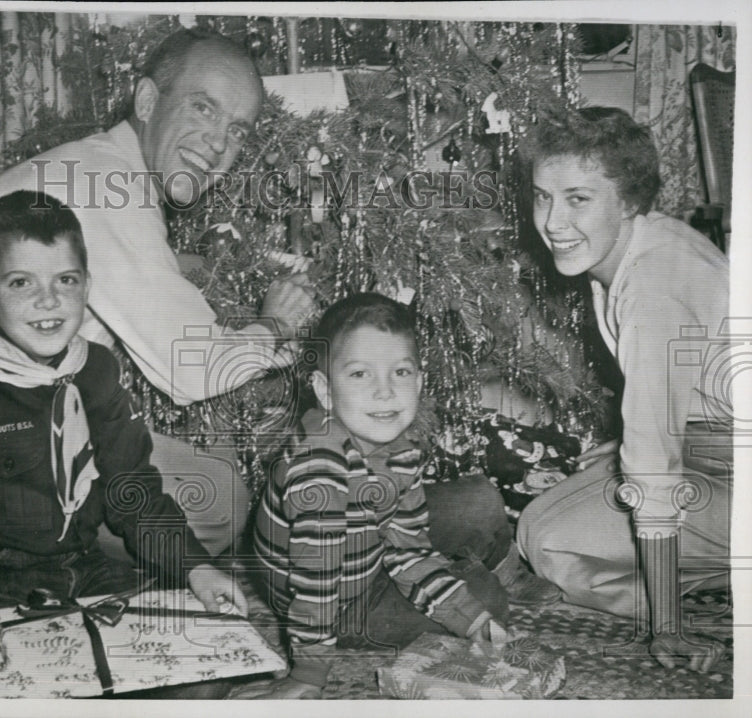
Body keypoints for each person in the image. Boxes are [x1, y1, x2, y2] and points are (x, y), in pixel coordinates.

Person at [0, 28, 318, 558]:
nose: (218, 144)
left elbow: (122, 276)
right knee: (217, 502)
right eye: (202, 109)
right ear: (147, 101)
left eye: (237, 131)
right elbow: (191, 367)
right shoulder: (108, 183)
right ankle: (43, 574)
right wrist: (276, 327)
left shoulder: (97, 166)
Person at [0, 191, 247, 652]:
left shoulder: (96, 369)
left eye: (65, 280)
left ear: (86, 285)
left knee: (196, 650)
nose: (48, 301)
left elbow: (134, 492)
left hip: (81, 564)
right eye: (21, 283)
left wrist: (196, 568)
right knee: (42, 669)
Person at [239, 294, 560, 699]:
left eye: (400, 372)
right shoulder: (317, 475)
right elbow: (315, 585)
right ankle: (474, 575)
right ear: (324, 390)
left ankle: (495, 568)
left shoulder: (397, 445)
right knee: (484, 596)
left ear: (419, 381)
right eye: (359, 375)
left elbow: (408, 551)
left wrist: (470, 620)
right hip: (335, 596)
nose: (385, 393)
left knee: (479, 498)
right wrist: (308, 675)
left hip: (364, 545)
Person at [516, 106, 731, 673]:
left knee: (549, 542)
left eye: (578, 199)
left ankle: (670, 608)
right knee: (542, 525)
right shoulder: (636, 246)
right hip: (722, 457)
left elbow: (654, 465)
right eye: (542, 196)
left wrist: (664, 632)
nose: (553, 221)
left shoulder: (654, 286)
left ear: (629, 199)